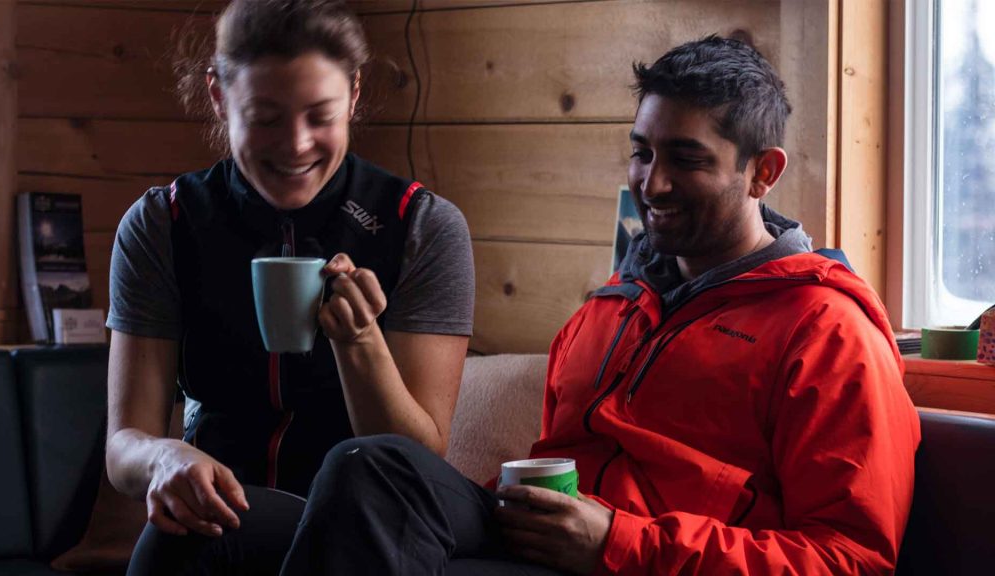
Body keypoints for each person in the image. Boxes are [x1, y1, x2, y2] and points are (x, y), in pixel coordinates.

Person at [278, 36, 921, 575]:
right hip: (546, 552)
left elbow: (852, 559)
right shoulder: (609, 309)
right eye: (642, 153)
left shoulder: (827, 329)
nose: (653, 182)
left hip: (638, 564)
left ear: (763, 172)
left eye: (687, 160)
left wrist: (616, 542)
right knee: (371, 467)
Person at [104, 1, 474, 574]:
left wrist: (358, 342)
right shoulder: (165, 223)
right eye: (266, 117)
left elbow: (412, 461)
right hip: (240, 504)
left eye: (319, 116)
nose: (296, 144)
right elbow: (123, 443)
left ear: (354, 94)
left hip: (377, 512)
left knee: (356, 473)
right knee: (176, 540)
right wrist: (162, 455)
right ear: (218, 98)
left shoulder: (419, 225)